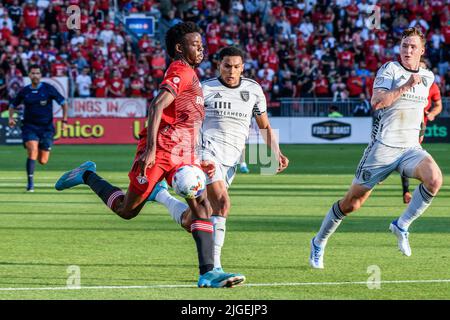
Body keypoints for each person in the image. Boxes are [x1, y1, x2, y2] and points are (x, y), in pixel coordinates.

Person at [54, 22, 245, 288]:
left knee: (203, 208)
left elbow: (186, 121)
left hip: (184, 154)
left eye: (202, 44)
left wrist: (199, 157)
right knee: (126, 210)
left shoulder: (191, 74)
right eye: (195, 44)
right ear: (180, 48)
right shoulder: (180, 70)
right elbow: (157, 105)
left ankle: (208, 273)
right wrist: (152, 150)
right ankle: (86, 175)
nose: (201, 48)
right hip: (162, 151)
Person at [309, 27, 442, 269]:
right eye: (404, 46)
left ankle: (401, 225)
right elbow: (377, 102)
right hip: (382, 150)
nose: (408, 50)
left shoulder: (429, 77)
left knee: (434, 179)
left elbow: (426, 108)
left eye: (413, 47)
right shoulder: (390, 70)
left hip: (410, 149)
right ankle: (319, 241)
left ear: (422, 50)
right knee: (352, 204)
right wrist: (405, 87)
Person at [153, 46, 289, 271]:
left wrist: (276, 152)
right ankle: (214, 269)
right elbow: (188, 123)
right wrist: (192, 155)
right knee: (223, 204)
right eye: (227, 66)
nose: (231, 71)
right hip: (207, 155)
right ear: (219, 65)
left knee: (195, 218)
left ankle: (161, 196)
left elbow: (264, 125)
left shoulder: (253, 90)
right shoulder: (204, 89)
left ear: (242, 67)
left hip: (231, 161)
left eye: (236, 67)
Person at [8, 64, 68, 192]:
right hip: (29, 127)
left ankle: (43, 149)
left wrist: (64, 120)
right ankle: (30, 184)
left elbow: (63, 103)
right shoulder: (24, 91)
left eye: (37, 73)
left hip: (46, 128)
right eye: (33, 73)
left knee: (43, 160)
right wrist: (11, 118)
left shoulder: (48, 89)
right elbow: (12, 105)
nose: (35, 75)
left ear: (40, 75)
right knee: (32, 151)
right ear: (29, 75)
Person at [401, 60, 442, 204]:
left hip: (420, 124)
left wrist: (432, 114)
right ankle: (405, 190)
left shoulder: (432, 86)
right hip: (403, 121)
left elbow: (438, 105)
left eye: (423, 68)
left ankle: (405, 189)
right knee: (401, 150)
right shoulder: (407, 81)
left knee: (407, 152)